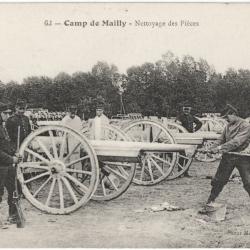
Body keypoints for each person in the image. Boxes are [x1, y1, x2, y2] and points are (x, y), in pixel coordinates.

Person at [200, 104, 250, 212]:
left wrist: (219, 148)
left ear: (234, 114)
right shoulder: (228, 126)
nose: (226, 120)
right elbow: (221, 139)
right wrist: (210, 148)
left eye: (227, 117)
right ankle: (210, 201)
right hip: (228, 157)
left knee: (248, 182)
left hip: (243, 157)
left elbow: (237, 142)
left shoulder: (246, 126)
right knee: (219, 180)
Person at [0, 102, 22, 225]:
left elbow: (7, 145)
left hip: (8, 165)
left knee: (15, 189)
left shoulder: (3, 127)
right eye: (5, 113)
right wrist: (11, 159)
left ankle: (13, 215)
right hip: (1, 165)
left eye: (9, 113)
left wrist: (15, 154)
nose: (8, 115)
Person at [175, 106, 202, 177]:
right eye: (185, 109)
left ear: (190, 110)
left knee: (189, 155)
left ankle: (186, 172)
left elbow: (199, 123)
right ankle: (180, 172)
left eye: (188, 109)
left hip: (190, 137)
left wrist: (195, 130)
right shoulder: (180, 117)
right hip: (182, 137)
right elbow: (177, 124)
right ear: (183, 110)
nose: (186, 111)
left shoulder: (191, 117)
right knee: (182, 155)